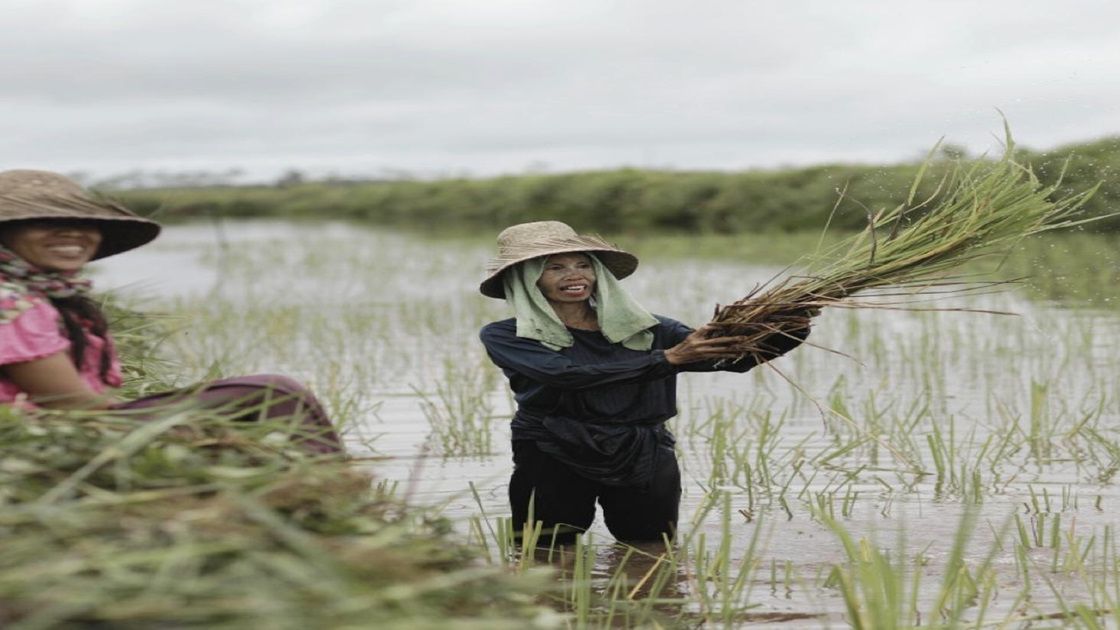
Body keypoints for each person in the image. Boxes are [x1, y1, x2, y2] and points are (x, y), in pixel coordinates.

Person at [478, 221, 811, 544]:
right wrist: (666, 359)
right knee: (547, 550)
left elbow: (729, 361)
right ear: (526, 280)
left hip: (643, 450)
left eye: (583, 264)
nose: (575, 275)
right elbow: (566, 375)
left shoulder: (651, 329)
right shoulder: (507, 335)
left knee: (652, 549)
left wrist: (788, 329)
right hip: (553, 447)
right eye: (555, 268)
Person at [0, 169, 342, 454]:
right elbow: (70, 406)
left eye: (82, 221)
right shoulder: (11, 302)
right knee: (274, 391)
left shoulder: (47, 298)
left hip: (57, 430)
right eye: (43, 220)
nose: (72, 232)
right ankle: (336, 489)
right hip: (48, 437)